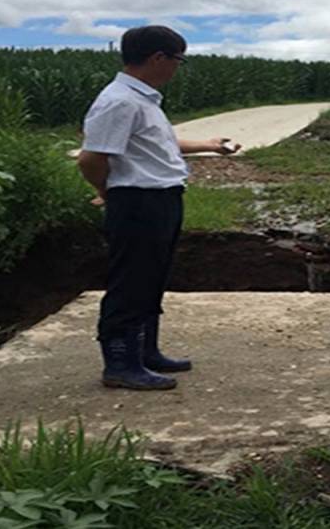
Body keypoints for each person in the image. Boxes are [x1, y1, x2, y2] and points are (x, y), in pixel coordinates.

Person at [77, 25, 240, 391]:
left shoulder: (141, 100)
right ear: (158, 58)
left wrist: (210, 145)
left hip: (159, 199)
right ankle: (120, 364)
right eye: (178, 61)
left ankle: (144, 352)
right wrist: (108, 191)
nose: (177, 69)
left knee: (151, 279)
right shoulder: (120, 101)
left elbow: (156, 146)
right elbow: (91, 159)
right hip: (137, 202)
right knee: (131, 282)